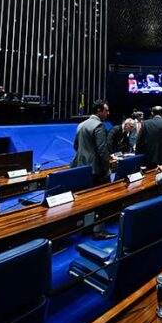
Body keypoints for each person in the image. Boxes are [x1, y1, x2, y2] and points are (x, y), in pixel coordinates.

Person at [71, 99, 115, 240]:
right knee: (101, 199)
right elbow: (102, 150)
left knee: (86, 199)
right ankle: (99, 231)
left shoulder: (81, 125)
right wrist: (107, 168)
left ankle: (87, 227)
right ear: (99, 111)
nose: (108, 113)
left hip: (81, 167)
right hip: (96, 169)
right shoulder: (98, 126)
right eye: (106, 110)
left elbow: (76, 146)